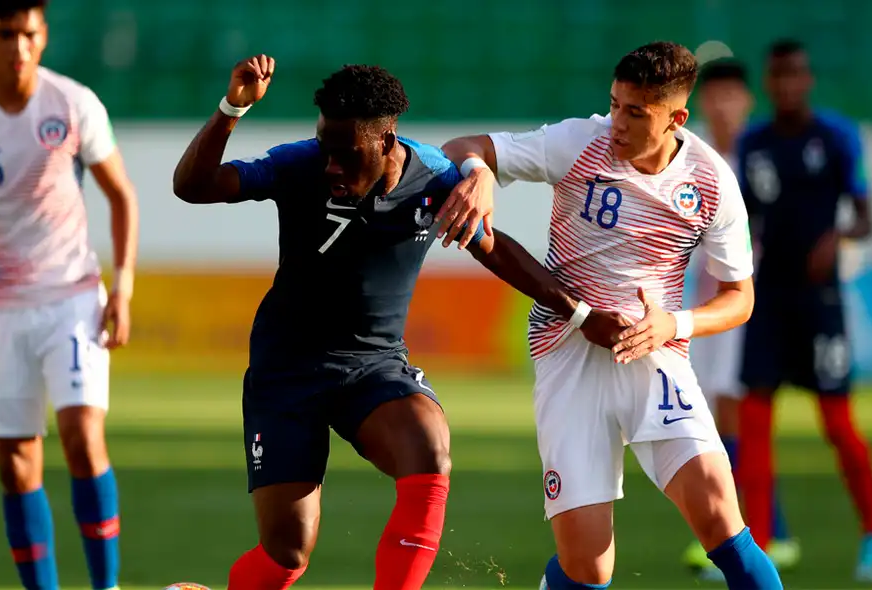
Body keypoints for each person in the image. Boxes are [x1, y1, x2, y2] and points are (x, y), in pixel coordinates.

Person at [172, 55, 590, 590]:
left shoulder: (434, 178)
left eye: (345, 154)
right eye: (325, 148)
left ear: (387, 140)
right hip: (286, 372)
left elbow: (492, 247)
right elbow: (194, 186)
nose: (331, 166)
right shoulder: (299, 164)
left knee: (429, 449)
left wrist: (577, 311)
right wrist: (233, 108)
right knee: (286, 555)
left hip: (373, 367)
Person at [438, 41, 783, 589]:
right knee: (590, 568)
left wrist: (675, 324)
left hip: (656, 355)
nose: (616, 123)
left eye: (636, 112)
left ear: (676, 118)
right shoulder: (580, 141)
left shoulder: (713, 181)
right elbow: (462, 145)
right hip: (567, 353)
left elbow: (741, 298)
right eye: (615, 104)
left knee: (722, 516)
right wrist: (478, 170)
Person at [0, 1, 138, 589]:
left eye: (28, 34)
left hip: (72, 298)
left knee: (84, 439)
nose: (18, 46)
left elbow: (121, 196)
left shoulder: (74, 103)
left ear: (44, 37)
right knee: (17, 465)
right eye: (6, 33)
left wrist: (123, 289)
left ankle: (106, 586)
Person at [736, 38, 872, 584]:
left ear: (808, 80)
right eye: (777, 76)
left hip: (820, 302)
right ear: (768, 82)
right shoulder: (753, 146)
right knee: (753, 419)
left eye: (795, 75)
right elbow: (741, 221)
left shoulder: (836, 137)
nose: (786, 85)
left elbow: (866, 219)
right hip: (767, 300)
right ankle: (757, 545)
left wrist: (839, 237)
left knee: (838, 423)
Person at [681, 58, 799, 578]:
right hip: (700, 304)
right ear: (701, 103)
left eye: (733, 95)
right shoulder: (693, 155)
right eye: (715, 96)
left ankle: (759, 533)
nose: (724, 105)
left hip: (744, 306)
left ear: (747, 101)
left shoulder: (758, 155)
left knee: (734, 414)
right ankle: (753, 531)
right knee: (708, 415)